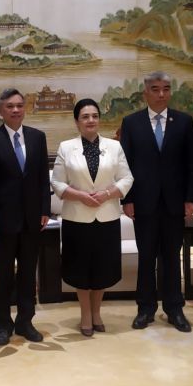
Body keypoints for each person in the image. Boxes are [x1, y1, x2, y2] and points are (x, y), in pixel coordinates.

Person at [120, 72, 193, 333]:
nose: (161, 94)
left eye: (166, 88)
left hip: (175, 203)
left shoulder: (184, 121)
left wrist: (190, 198)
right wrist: (128, 199)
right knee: (146, 258)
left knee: (172, 258)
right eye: (155, 89)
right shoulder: (132, 123)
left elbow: (191, 164)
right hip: (144, 203)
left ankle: (175, 309)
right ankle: (145, 309)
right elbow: (125, 165)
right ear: (146, 93)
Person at [51, 99, 134, 336]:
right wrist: (79, 196)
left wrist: (108, 193)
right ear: (77, 121)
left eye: (95, 116)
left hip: (107, 217)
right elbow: (57, 182)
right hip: (77, 219)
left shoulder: (114, 147)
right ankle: (85, 314)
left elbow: (127, 178)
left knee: (102, 269)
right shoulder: (66, 147)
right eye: (85, 116)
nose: (91, 120)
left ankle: (97, 313)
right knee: (80, 269)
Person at [0, 88, 51, 345]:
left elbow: (42, 178)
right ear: (1, 111)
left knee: (28, 275)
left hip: (32, 219)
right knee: (3, 276)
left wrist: (45, 209)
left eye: (20, 105)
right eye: (10, 106)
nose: (16, 110)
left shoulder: (37, 137)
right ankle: (3, 325)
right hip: (2, 220)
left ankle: (25, 322)